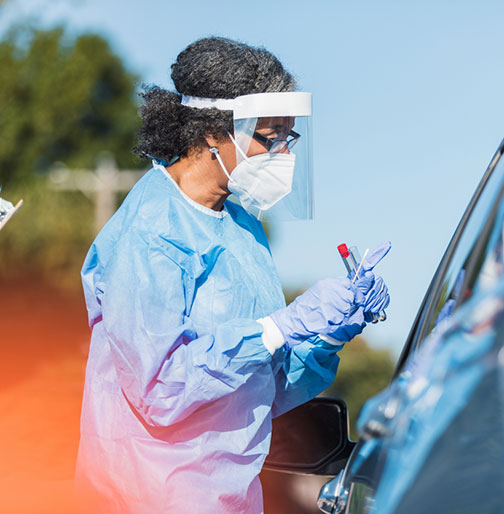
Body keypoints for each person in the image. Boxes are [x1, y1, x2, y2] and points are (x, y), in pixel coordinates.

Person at [74, 37, 390, 513]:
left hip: (234, 496)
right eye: (269, 136)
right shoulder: (150, 233)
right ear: (209, 134)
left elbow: (263, 387)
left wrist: (328, 334)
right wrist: (278, 328)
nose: (283, 152)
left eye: (289, 136)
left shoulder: (242, 229)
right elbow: (159, 392)